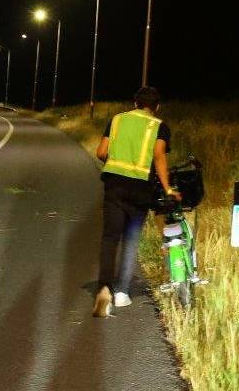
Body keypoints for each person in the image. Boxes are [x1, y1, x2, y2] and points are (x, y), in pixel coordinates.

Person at [92, 86, 180, 318]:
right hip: (141, 189)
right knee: (131, 239)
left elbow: (101, 152)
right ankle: (122, 292)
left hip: (114, 186)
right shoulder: (159, 126)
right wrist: (168, 187)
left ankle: (104, 289)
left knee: (110, 238)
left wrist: (117, 161)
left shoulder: (117, 120)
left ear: (135, 103)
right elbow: (159, 156)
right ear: (157, 106)